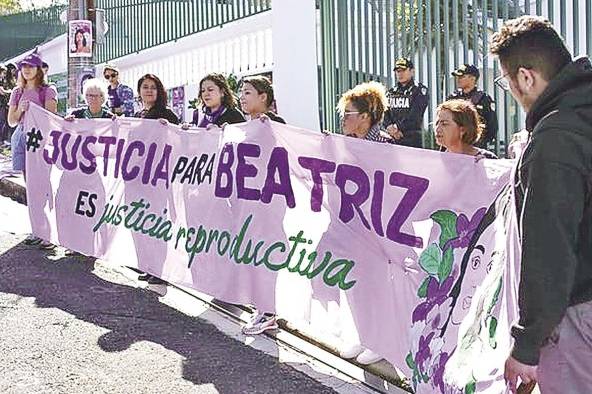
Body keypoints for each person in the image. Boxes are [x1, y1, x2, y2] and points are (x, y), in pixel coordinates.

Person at [490, 16, 592, 394]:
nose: (511, 91)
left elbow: (549, 250)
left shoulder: (556, 140)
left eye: (507, 82)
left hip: (578, 312)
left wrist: (527, 344)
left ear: (526, 77)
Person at [6, 51, 58, 249]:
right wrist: (21, 109)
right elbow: (12, 121)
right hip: (21, 139)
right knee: (31, 186)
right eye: (24, 67)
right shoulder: (16, 92)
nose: (27, 70)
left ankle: (49, 232)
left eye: (31, 66)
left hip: (40, 142)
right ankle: (37, 229)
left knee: (44, 185)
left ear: (38, 69)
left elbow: (51, 118)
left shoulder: (48, 90)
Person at [448, 64, 498, 149]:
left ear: (472, 78)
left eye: (462, 77)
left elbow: (492, 124)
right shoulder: (453, 98)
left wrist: (483, 141)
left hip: (476, 144)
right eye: (458, 77)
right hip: (456, 143)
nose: (458, 79)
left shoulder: (483, 99)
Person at [383, 57, 429, 148]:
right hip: (392, 138)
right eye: (398, 71)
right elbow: (385, 112)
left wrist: (397, 128)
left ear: (412, 71)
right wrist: (389, 127)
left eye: (403, 70)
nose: (400, 74)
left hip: (412, 139)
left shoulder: (419, 90)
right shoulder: (391, 92)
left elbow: (415, 115)